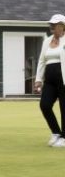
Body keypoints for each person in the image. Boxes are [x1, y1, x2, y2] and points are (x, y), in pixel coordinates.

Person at [34, 14, 65, 147]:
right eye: (51, 24)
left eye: (55, 25)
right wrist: (38, 79)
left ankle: (64, 137)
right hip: (50, 80)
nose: (52, 27)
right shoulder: (46, 41)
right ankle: (56, 133)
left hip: (64, 80)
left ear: (62, 26)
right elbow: (42, 60)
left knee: (64, 108)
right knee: (45, 105)